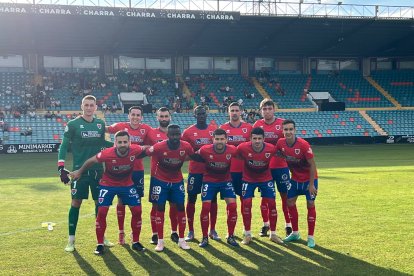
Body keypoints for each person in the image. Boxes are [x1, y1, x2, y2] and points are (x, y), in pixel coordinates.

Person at [70, 131, 146, 255]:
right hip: (108, 184)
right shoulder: (107, 153)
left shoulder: (135, 150)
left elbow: (146, 149)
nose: (122, 144)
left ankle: (136, 241)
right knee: (102, 212)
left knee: (137, 211)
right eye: (119, 142)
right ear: (115, 143)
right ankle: (100, 244)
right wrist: (79, 171)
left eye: (125, 142)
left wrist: (156, 149)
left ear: (129, 143)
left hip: (127, 184)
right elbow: (91, 160)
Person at [57, 95, 113, 252]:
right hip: (78, 172)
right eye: (86, 105)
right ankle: (71, 240)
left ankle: (102, 237)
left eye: (92, 105)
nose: (89, 108)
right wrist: (61, 167)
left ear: (96, 107)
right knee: (76, 203)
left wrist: (122, 145)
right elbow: (64, 146)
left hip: (98, 171)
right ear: (82, 106)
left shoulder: (100, 124)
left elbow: (103, 144)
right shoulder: (73, 124)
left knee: (100, 204)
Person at [146, 124, 198, 252]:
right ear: (167, 135)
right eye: (172, 134)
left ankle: (181, 239)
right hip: (160, 181)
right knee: (160, 208)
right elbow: (146, 152)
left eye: (177, 134)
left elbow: (194, 156)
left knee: (180, 207)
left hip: (177, 181)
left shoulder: (185, 146)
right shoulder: (159, 146)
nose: (175, 137)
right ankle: (160, 241)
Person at [106, 106, 152, 245]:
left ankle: (134, 233)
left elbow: (152, 144)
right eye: (133, 114)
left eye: (138, 115)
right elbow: (106, 129)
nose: (135, 117)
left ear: (141, 117)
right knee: (121, 201)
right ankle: (121, 232)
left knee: (136, 202)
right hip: (122, 170)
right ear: (129, 115)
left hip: (138, 170)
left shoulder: (147, 129)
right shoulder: (121, 126)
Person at [236, 127, 284, 245]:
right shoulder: (242, 147)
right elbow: (234, 154)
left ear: (264, 139)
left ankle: (273, 234)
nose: (257, 141)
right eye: (254, 138)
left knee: (272, 204)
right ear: (250, 139)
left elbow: (284, 154)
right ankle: (247, 234)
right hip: (248, 179)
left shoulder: (271, 148)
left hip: (266, 179)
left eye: (259, 138)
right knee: (246, 204)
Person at [276, 119, 318, 248]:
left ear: (295, 130)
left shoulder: (303, 145)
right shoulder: (280, 143)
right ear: (282, 131)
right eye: (286, 129)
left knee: (310, 203)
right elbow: (277, 153)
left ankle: (310, 237)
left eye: (290, 129)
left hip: (309, 180)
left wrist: (311, 185)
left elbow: (312, 166)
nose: (288, 132)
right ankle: (295, 233)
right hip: (295, 179)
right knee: (289, 202)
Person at [253, 98, 292, 238]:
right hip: (264, 168)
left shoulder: (282, 124)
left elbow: (289, 143)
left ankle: (289, 225)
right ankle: (266, 224)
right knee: (266, 198)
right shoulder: (257, 125)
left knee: (285, 197)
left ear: (274, 109)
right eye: (265, 109)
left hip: (281, 167)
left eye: (270, 108)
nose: (267, 111)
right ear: (261, 111)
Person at [196, 129, 239, 247]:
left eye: (222, 139)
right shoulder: (205, 150)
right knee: (205, 207)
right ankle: (205, 237)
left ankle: (230, 236)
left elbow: (242, 156)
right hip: (209, 181)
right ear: (213, 139)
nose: (219, 141)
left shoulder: (232, 150)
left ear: (226, 139)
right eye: (217, 139)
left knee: (233, 206)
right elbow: (194, 155)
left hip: (225, 181)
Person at [181, 106, 217, 241]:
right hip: (195, 171)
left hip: (210, 172)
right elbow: (183, 151)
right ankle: (190, 231)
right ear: (194, 115)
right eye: (198, 114)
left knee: (212, 200)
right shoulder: (188, 132)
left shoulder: (213, 130)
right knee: (191, 199)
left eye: (203, 113)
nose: (201, 116)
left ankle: (212, 230)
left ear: (206, 114)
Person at [144, 107, 179, 245]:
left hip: (174, 176)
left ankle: (174, 232)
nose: (164, 119)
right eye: (161, 116)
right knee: (156, 206)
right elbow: (143, 146)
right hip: (156, 176)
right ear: (157, 117)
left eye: (166, 116)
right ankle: (155, 233)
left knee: (174, 205)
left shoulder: (175, 132)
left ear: (170, 117)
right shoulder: (151, 133)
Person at [220, 102, 252, 223]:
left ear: (241, 112)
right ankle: (230, 231)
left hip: (245, 171)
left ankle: (246, 229)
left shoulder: (249, 128)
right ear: (228, 112)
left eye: (236, 110)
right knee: (230, 203)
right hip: (228, 171)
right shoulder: (222, 128)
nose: (234, 113)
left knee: (246, 202)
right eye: (232, 110)